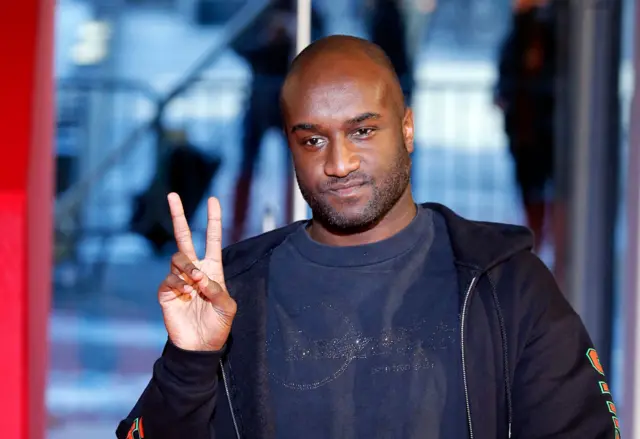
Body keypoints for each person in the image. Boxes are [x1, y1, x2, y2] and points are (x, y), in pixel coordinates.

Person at [117, 35, 618, 439]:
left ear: (406, 130)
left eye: (362, 131)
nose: (339, 164)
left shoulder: (503, 283)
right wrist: (190, 362)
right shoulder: (237, 291)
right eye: (313, 140)